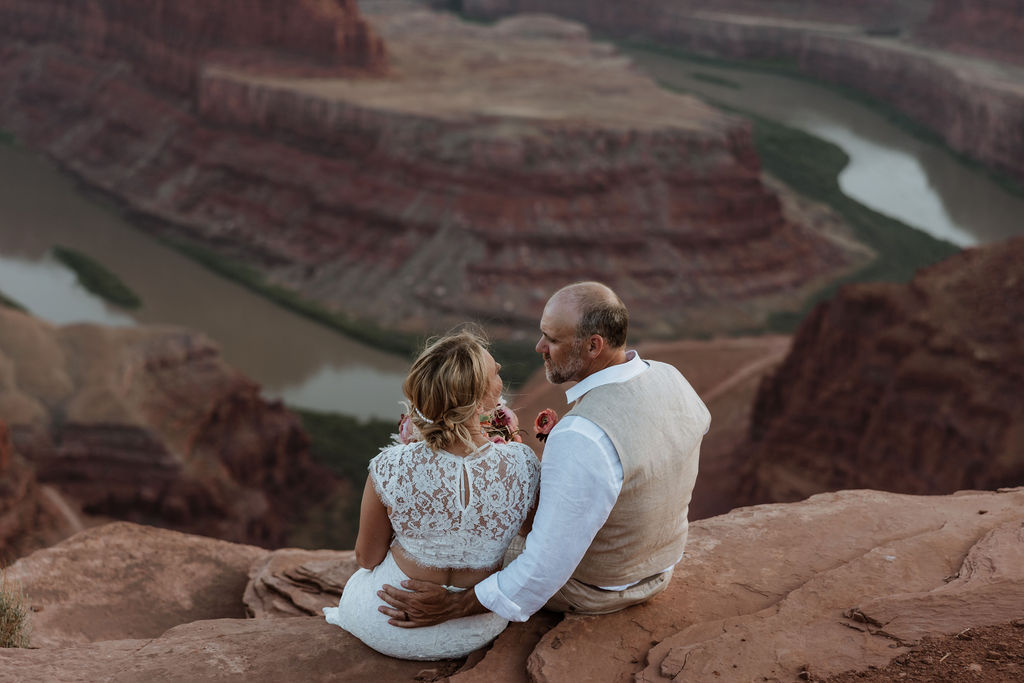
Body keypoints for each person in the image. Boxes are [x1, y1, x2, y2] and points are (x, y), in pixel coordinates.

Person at [378, 281, 710, 625]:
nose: (540, 347)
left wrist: (455, 606)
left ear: (594, 346)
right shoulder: (672, 377)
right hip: (659, 568)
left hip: (593, 588)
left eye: (552, 339)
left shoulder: (583, 435)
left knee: (471, 532)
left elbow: (546, 566)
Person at [322, 329, 540, 660]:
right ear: (482, 399)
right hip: (476, 627)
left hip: (388, 621)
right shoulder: (523, 464)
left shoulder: (390, 466)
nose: (501, 377)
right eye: (496, 372)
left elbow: (367, 558)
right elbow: (529, 537)